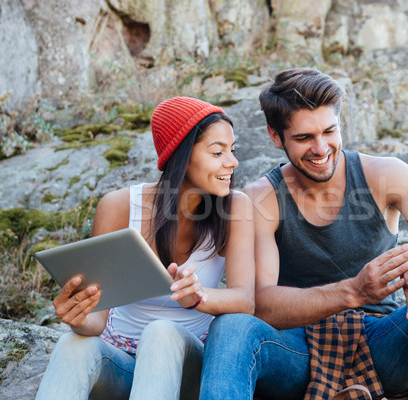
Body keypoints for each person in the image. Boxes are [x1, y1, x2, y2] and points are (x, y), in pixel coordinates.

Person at [199, 68, 408, 399]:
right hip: (297, 350)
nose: (321, 148)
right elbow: (263, 304)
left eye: (329, 131)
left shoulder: (385, 174)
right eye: (303, 138)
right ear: (276, 137)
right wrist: (353, 291)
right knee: (230, 327)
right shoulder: (261, 198)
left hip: (383, 341)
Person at [36, 97, 255, 400]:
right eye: (218, 152)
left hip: (188, 364)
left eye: (232, 150)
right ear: (181, 155)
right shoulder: (120, 207)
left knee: (161, 331)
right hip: (123, 364)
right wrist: (79, 316)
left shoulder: (236, 207)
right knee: (71, 345)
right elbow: (97, 321)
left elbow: (246, 300)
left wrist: (198, 297)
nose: (232, 162)